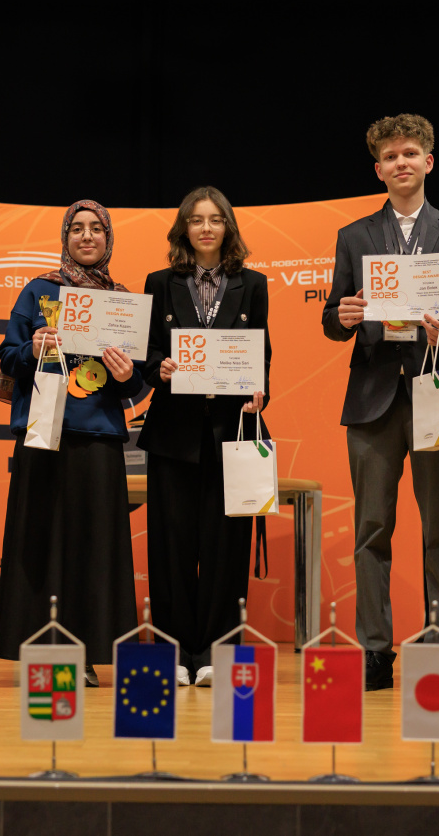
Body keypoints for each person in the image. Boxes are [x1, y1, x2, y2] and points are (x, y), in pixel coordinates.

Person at [323, 113, 439, 691]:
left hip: (434, 391)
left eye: (410, 153)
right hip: (373, 398)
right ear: (378, 169)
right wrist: (342, 316)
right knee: (371, 528)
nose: (401, 163)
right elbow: (333, 318)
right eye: (390, 156)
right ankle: (375, 649)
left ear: (428, 162)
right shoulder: (353, 236)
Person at [0, 200, 145, 684]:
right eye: (76, 228)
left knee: (93, 548)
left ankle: (86, 652)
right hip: (44, 431)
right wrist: (31, 347)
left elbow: (137, 383)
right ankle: (42, 651)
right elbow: (8, 355)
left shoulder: (121, 301)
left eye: (96, 229)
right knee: (40, 542)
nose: (86, 236)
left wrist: (126, 374)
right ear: (65, 238)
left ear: (108, 238)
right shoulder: (40, 290)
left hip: (98, 438)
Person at [138, 186, 270, 688]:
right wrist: (159, 368)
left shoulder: (252, 284)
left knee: (225, 548)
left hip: (230, 431)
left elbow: (261, 353)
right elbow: (147, 352)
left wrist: (259, 392)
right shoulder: (159, 283)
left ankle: (218, 651)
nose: (207, 228)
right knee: (170, 548)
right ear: (184, 229)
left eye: (216, 220)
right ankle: (172, 651)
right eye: (197, 220)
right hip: (173, 434)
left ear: (228, 227)